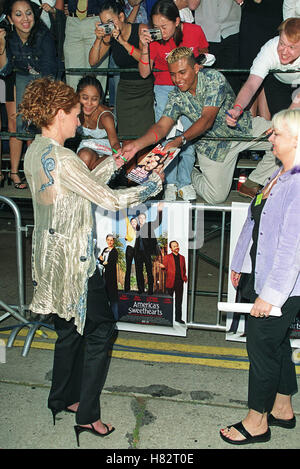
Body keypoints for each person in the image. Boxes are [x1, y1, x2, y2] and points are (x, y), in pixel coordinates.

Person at [19, 77, 163, 446]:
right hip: (75, 263)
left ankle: (62, 398)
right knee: (101, 332)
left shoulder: (35, 151)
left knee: (69, 330)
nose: (80, 119)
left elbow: (78, 186)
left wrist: (115, 159)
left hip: (50, 259)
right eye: (73, 112)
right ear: (57, 114)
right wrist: (148, 188)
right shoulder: (64, 159)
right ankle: (87, 417)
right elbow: (108, 200)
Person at [220, 108, 300, 445]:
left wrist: (271, 295)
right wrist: (240, 263)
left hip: (283, 286)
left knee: (262, 346)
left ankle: (257, 420)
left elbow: (292, 247)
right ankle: (282, 407)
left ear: (296, 139)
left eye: (276, 133)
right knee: (278, 344)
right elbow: (255, 224)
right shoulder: (279, 176)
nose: (270, 137)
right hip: (262, 274)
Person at [120, 47, 276, 205]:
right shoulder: (176, 95)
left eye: (182, 72)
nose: (177, 79)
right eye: (172, 74)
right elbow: (161, 126)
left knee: (290, 138)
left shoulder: (213, 78)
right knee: (216, 198)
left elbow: (207, 119)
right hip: (212, 147)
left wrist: (181, 139)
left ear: (196, 68)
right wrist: (136, 145)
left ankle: (253, 182)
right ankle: (189, 173)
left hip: (242, 129)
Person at [138, 0, 209, 201]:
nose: (160, 31)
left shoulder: (195, 31)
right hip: (163, 88)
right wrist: (145, 46)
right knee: (167, 136)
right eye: (156, 27)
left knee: (188, 134)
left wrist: (201, 64)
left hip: (190, 89)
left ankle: (184, 181)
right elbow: (144, 73)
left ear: (177, 21)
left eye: (164, 26)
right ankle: (169, 182)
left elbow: (204, 51)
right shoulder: (153, 40)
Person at [226, 17, 300, 198]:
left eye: (291, 47)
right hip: (277, 83)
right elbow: (251, 84)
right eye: (282, 44)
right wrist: (237, 107)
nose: (284, 51)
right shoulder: (269, 48)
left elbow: (297, 102)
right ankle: (255, 183)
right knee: (279, 135)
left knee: (290, 130)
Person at [0, 0, 58, 189]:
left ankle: (40, 174)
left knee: (39, 127)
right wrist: (1, 46)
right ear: (10, 18)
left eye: (28, 13)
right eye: (18, 14)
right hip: (19, 78)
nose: (25, 19)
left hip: (42, 82)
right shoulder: (8, 37)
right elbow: (4, 70)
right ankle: (18, 173)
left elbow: (49, 74)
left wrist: (37, 100)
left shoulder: (44, 36)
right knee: (18, 125)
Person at [89, 0, 155, 138]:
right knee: (126, 138)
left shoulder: (140, 29)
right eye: (104, 23)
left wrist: (123, 42)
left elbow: (145, 60)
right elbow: (93, 61)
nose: (109, 26)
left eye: (110, 21)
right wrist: (98, 39)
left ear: (121, 17)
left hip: (145, 89)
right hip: (125, 90)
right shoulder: (110, 37)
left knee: (145, 138)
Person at [194, 0, 242, 95]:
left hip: (232, 29)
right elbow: (192, 5)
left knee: (232, 81)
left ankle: (232, 108)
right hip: (205, 33)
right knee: (207, 81)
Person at [63, 0, 109, 93]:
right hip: (72, 20)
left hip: (96, 18)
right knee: (72, 74)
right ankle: (74, 106)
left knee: (96, 74)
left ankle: (97, 106)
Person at [76, 74, 121, 159]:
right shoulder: (74, 111)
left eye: (94, 99)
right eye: (85, 98)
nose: (89, 103)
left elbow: (114, 143)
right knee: (84, 156)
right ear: (77, 96)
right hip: (86, 150)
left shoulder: (105, 117)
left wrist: (117, 155)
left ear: (100, 99)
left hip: (106, 150)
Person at [134, 202, 163, 294]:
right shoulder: (135, 228)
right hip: (138, 253)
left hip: (147, 252)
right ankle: (140, 289)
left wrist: (159, 210)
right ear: (138, 219)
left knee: (149, 271)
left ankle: (150, 290)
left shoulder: (149, 225)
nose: (141, 220)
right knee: (139, 272)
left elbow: (158, 221)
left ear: (145, 219)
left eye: (143, 218)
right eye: (140, 218)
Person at [160, 240, 187, 324]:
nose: (176, 247)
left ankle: (178, 318)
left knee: (179, 301)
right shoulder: (167, 257)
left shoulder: (182, 258)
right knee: (168, 301)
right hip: (170, 282)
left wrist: (184, 277)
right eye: (174, 246)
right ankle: (167, 317)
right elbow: (164, 269)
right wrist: (163, 267)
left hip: (179, 282)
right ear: (171, 248)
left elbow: (184, 269)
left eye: (177, 245)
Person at [99, 234, 119, 320]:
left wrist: (104, 262)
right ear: (106, 240)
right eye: (108, 240)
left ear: (113, 241)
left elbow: (110, 263)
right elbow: (101, 261)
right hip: (103, 276)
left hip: (110, 278)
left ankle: (114, 318)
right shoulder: (105, 250)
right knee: (104, 298)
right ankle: (106, 318)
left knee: (113, 299)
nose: (110, 242)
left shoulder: (114, 251)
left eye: (111, 240)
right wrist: (101, 259)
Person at [124, 216, 138, 291]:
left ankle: (140, 288)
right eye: (132, 222)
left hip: (137, 250)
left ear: (137, 223)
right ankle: (126, 288)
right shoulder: (128, 230)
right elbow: (126, 219)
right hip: (129, 249)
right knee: (128, 268)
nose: (133, 223)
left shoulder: (139, 231)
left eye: (135, 222)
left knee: (138, 268)